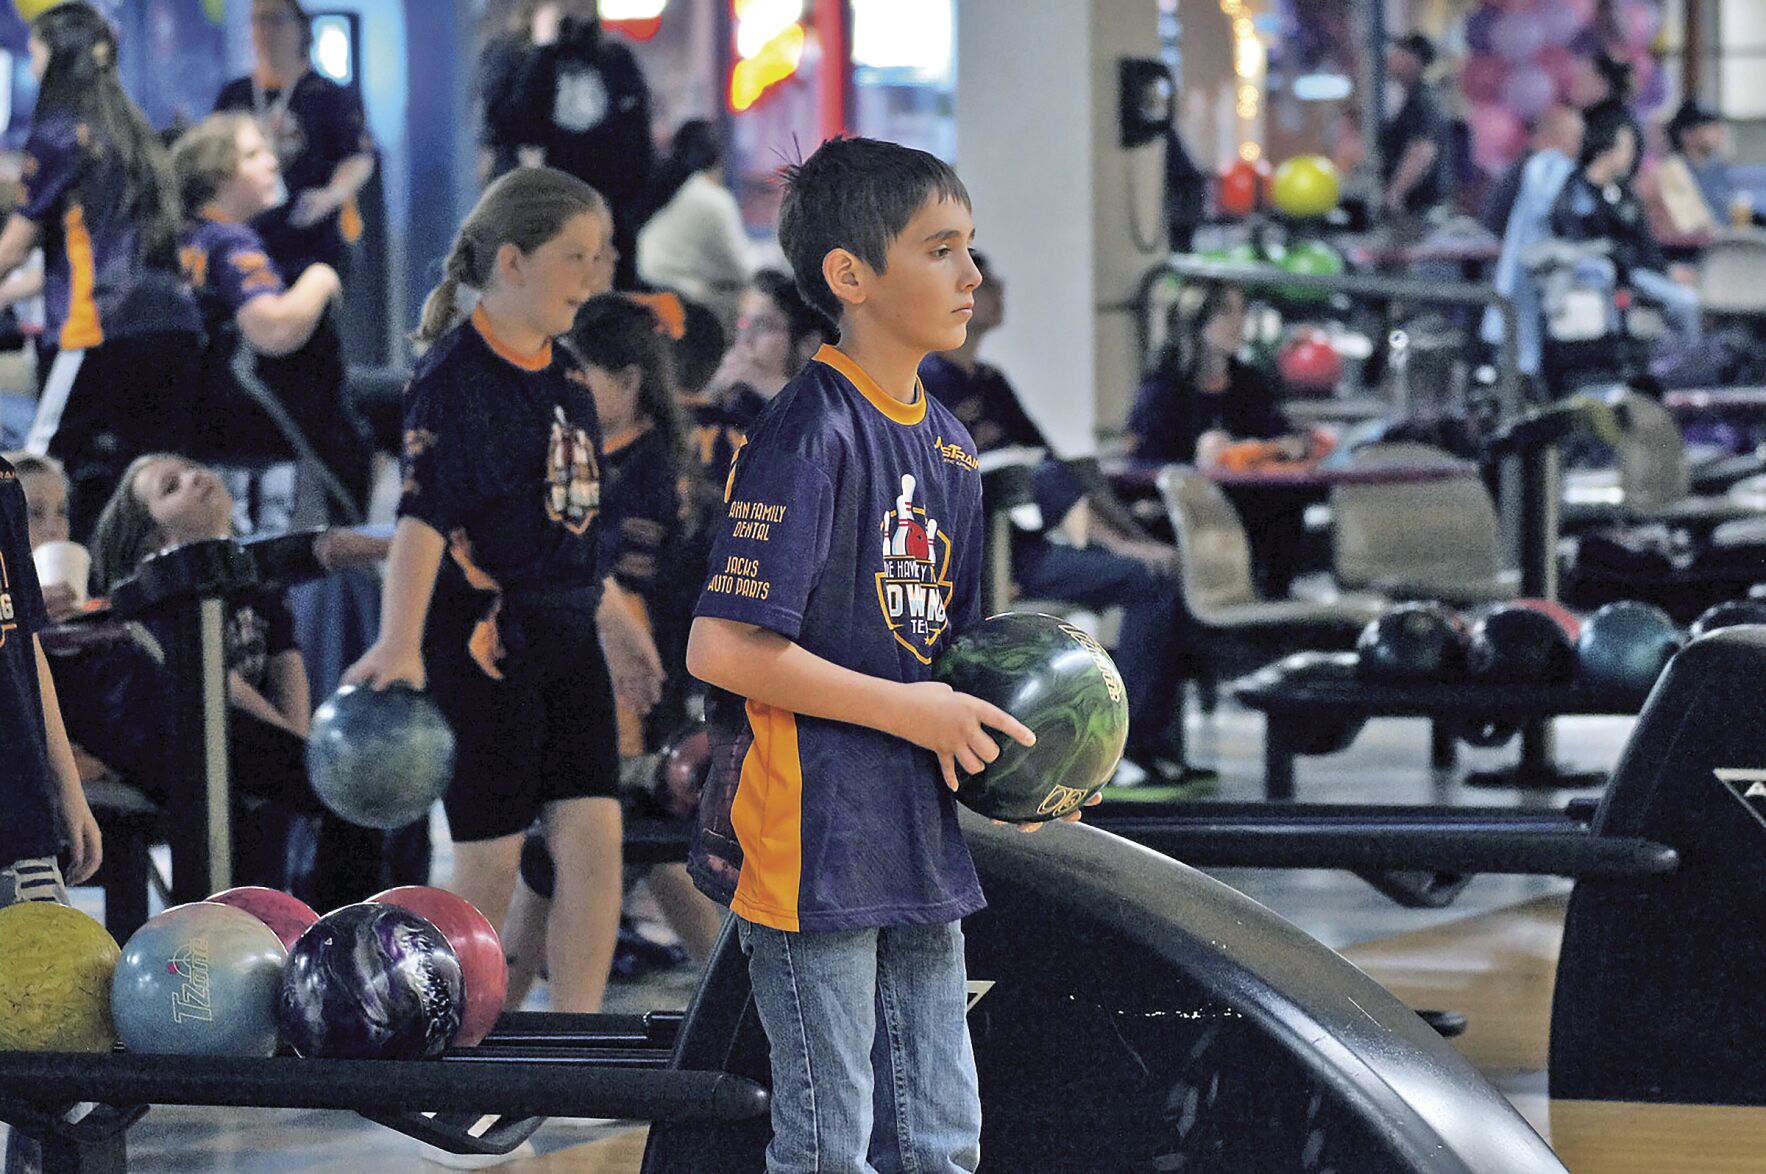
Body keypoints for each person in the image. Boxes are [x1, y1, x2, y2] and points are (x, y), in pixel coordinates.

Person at [685, 135, 1094, 1172]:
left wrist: (1032, 759)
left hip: (913, 839)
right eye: (940, 248)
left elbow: (948, 661)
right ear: (850, 277)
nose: (971, 275)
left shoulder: (951, 446)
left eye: (971, 248)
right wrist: (910, 713)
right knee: (830, 1147)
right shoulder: (804, 433)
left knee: (940, 1141)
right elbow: (723, 647)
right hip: (809, 842)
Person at [342, 167, 664, 1015]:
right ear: (513, 262)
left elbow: (572, 528)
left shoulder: (562, 370)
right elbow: (421, 518)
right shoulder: (455, 376)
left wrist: (618, 626)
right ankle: (453, 1033)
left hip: (566, 637)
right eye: (575, 257)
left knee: (594, 842)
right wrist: (401, 639)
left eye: (599, 257)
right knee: (485, 863)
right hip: (483, 643)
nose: (592, 278)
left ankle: (576, 1038)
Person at [501, 293, 726, 1006]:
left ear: (627, 382)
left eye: (578, 374)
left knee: (568, 857)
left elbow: (622, 604)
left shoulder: (650, 472)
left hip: (628, 697)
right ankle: (741, 1003)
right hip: (594, 689)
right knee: (632, 855)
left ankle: (530, 1028)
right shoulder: (598, 457)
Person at [921, 251, 1214, 788]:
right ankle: (1134, 747)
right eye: (986, 284)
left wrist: (1128, 521)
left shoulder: (990, 380)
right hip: (993, 556)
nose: (997, 291)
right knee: (1147, 578)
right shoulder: (929, 380)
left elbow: (1053, 464)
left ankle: (1156, 747)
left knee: (1163, 572)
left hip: (1034, 541)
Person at [0, 2, 202, 540]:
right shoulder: (131, 132)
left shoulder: (60, 133)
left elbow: (16, 244)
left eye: (37, 50)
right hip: (172, 330)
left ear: (58, 55)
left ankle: (51, 611)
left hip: (98, 334)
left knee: (38, 475)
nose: (33, 63)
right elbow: (102, 247)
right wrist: (16, 290)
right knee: (153, 486)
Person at [172, 112, 370, 522]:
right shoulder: (230, 239)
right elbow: (273, 329)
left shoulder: (192, 238)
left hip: (207, 415)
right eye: (252, 154)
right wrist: (321, 279)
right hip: (261, 411)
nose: (272, 162)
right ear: (217, 174)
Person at [0, 451, 101, 1174]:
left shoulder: (2, 484)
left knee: (49, 1027)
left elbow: (24, 645)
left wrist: (65, 788)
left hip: (18, 811)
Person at [1127, 280, 1310, 596]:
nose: (1238, 322)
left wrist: (1281, 446)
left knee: (1288, 506)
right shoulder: (1164, 391)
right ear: (1194, 320)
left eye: (1240, 311)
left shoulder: (1249, 382)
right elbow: (1142, 470)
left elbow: (1284, 436)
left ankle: (1274, 607)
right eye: (1225, 312)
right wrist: (1195, 464)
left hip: (1251, 501)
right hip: (1186, 513)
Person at [479, 0, 654, 289]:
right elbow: (516, 129)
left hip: (605, 222)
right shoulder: (510, 56)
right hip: (539, 223)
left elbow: (637, 148)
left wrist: (625, 209)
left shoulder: (614, 60)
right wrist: (543, 49)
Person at [214, 0, 376, 283]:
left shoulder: (329, 95)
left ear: (300, 28)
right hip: (248, 239)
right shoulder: (234, 95)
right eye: (258, 21)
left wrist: (332, 195)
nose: (265, 31)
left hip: (312, 243)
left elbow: (358, 157)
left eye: (275, 20)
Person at [1548, 99, 1701, 386]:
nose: (1632, 155)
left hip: (1639, 273)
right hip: (1607, 280)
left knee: (1688, 298)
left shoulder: (1623, 194)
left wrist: (1666, 272)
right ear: (1606, 147)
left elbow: (1646, 245)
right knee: (1685, 303)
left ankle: (1683, 370)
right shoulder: (1575, 192)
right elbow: (1579, 242)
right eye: (1626, 147)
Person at [636, 119, 752, 331]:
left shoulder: (670, 188)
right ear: (720, 157)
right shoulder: (712, 199)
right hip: (686, 299)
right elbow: (742, 268)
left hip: (651, 287)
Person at [1482, 105, 1585, 240]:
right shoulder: (1534, 173)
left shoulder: (1552, 171)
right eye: (1575, 137)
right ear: (1550, 137)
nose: (1579, 146)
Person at [1379, 33, 1449, 219]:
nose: (1391, 59)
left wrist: (1395, 194)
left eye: (1398, 53)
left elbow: (1422, 151)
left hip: (1421, 211)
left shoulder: (1424, 102)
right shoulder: (1410, 99)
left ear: (1414, 60)